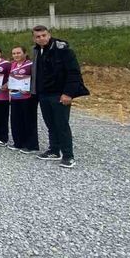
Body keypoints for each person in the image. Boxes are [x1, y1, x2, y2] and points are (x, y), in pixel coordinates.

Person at [31, 25, 89, 169]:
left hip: (59, 94)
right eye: (38, 36)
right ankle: (54, 150)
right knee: (50, 123)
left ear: (49, 35)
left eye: (44, 35)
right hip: (44, 93)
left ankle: (68, 156)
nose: (41, 38)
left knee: (62, 124)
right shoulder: (37, 51)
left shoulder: (64, 50)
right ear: (34, 38)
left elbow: (74, 73)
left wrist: (68, 93)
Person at [8, 46, 39, 153]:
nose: (16, 55)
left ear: (25, 53)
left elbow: (36, 80)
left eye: (18, 53)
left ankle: (31, 145)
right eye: (14, 53)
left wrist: (30, 89)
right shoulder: (13, 65)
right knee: (16, 120)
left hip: (28, 97)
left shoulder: (31, 65)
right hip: (15, 96)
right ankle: (18, 143)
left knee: (28, 120)